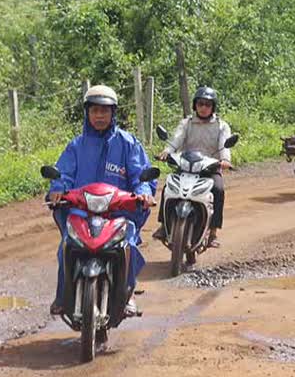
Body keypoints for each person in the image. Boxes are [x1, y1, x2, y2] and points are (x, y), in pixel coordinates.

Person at [47, 85, 157, 316]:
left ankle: (127, 294)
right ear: (87, 112)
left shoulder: (128, 144)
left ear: (113, 113)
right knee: (66, 245)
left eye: (104, 111)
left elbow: (141, 175)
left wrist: (144, 191)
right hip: (81, 211)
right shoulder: (76, 146)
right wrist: (58, 188)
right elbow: (63, 173)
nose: (99, 116)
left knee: (130, 245)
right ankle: (62, 296)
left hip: (118, 213)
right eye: (94, 110)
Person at [153, 86, 232, 248]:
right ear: (195, 105)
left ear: (213, 107)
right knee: (168, 186)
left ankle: (213, 232)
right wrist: (167, 151)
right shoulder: (186, 123)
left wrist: (224, 160)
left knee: (218, 189)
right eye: (200, 104)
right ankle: (163, 225)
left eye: (208, 104)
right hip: (186, 166)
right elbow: (176, 140)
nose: (204, 108)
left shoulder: (221, 126)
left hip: (210, 168)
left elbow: (225, 146)